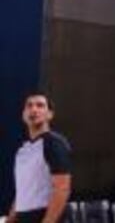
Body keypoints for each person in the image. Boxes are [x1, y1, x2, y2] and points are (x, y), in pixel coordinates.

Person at [7, 93, 72, 223]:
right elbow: (22, 193)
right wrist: (10, 219)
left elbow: (62, 189)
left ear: (50, 114)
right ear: (23, 115)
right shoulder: (22, 151)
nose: (34, 109)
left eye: (40, 105)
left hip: (45, 216)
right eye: (29, 106)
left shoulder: (54, 143)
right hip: (23, 218)